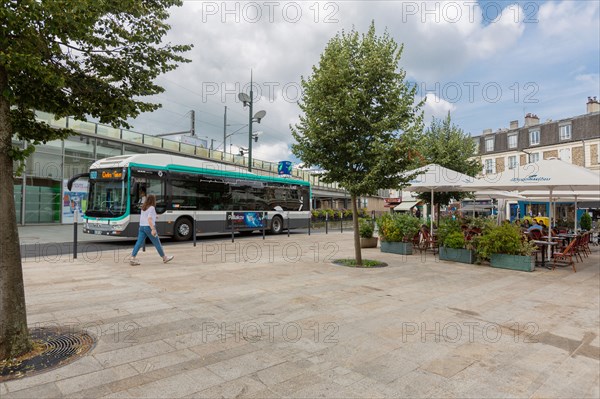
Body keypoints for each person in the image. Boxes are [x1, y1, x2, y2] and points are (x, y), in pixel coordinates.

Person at [129, 194, 173, 266]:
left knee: (138, 243)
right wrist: (153, 229)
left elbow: (147, 215)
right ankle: (164, 258)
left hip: (142, 227)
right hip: (149, 227)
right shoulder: (152, 207)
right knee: (157, 243)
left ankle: (132, 258)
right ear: (153, 200)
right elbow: (149, 219)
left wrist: (155, 216)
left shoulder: (143, 207)